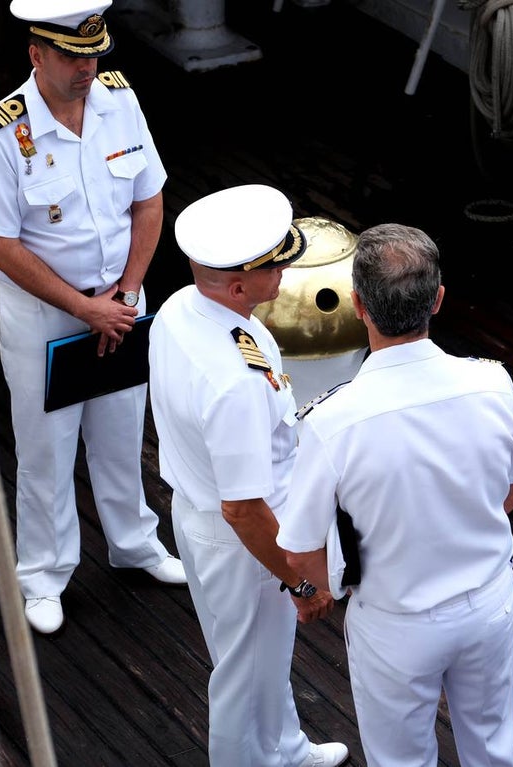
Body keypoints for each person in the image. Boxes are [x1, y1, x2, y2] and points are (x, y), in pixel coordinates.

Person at [0, 0, 185, 635]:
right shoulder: (1, 132)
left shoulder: (120, 100)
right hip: (44, 316)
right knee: (47, 447)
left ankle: (134, 543)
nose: (86, 67)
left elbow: (149, 198)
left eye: (93, 53)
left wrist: (125, 293)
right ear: (36, 54)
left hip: (119, 298)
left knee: (121, 429)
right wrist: (84, 308)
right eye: (70, 55)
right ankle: (44, 574)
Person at [276, 223, 513, 767]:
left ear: (357, 306)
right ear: (438, 300)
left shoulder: (330, 420)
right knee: (496, 751)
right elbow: (511, 494)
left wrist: (313, 593)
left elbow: (299, 552)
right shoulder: (492, 383)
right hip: (489, 604)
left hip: (396, 624)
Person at [147, 183, 349, 767]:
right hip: (242, 540)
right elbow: (243, 507)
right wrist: (300, 582)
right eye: (274, 266)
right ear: (239, 285)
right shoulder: (233, 380)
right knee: (241, 673)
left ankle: (283, 746)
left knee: (259, 660)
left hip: (205, 515)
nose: (285, 271)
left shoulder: (186, 307)